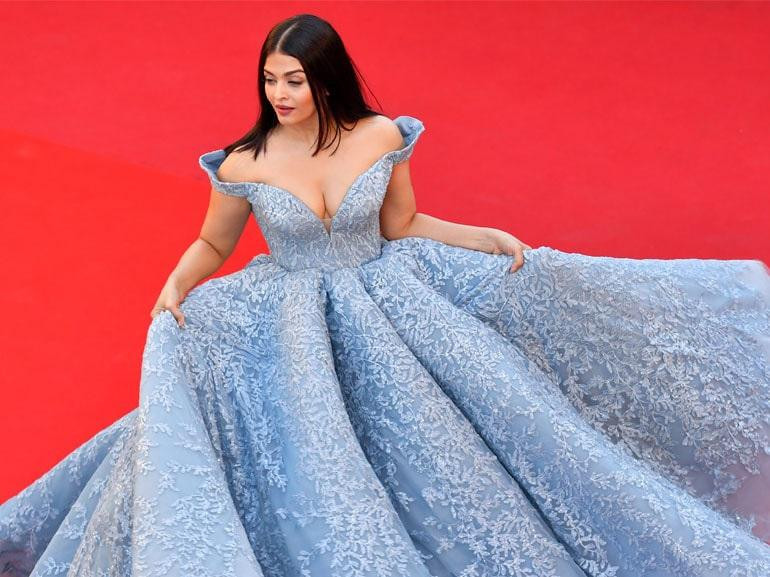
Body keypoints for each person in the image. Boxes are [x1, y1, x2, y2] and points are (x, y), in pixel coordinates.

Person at [2, 12, 770, 577]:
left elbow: (402, 223)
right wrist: (176, 285)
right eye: (270, 79)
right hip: (288, 322)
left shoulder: (379, 136)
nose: (280, 93)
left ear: (326, 77)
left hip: (387, 302)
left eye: (294, 79)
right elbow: (214, 243)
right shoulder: (244, 162)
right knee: (297, 450)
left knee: (458, 430)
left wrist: (484, 236)